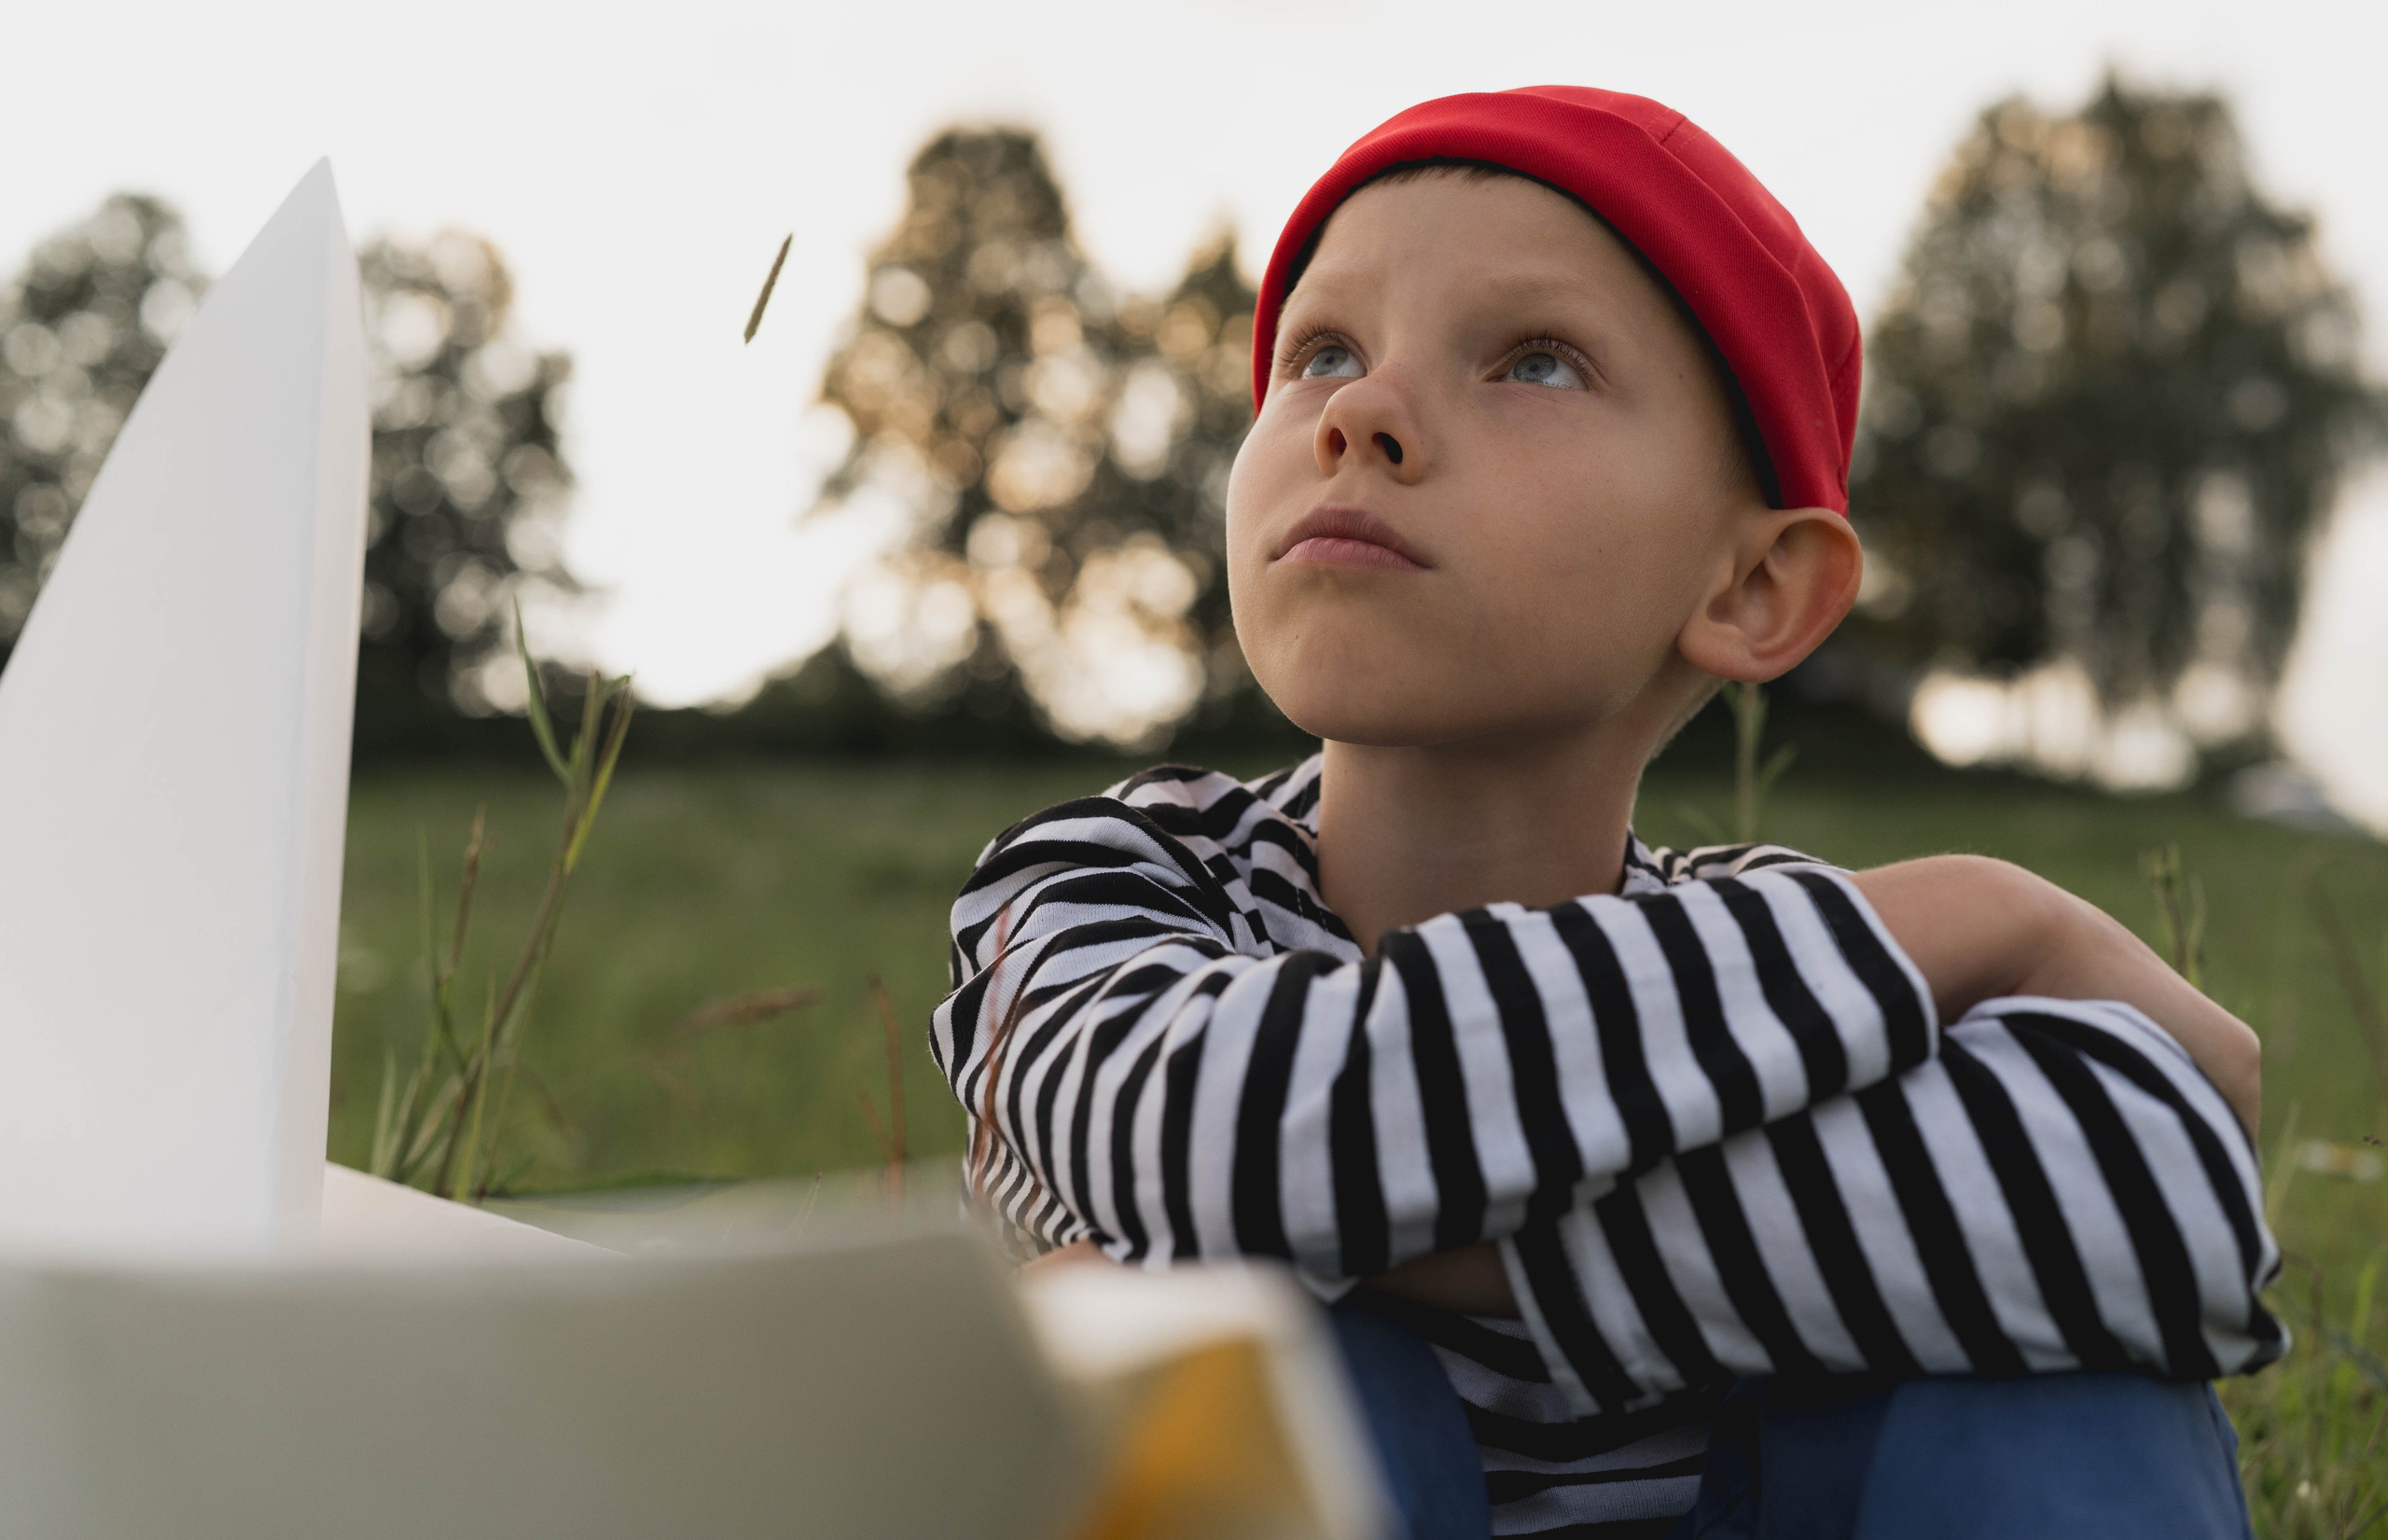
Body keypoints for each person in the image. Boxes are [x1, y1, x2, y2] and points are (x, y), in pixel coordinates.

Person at [934, 88, 2276, 1539]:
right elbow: (1222, 1140)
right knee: (1256, 1342)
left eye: (1535, 363)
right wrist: (1984, 912)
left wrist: (1374, 1218)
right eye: (1322, 351)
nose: (1361, 414)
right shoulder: (1099, 886)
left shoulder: (1770, 945)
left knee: (2059, 1379)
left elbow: (2160, 1196)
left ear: (1751, 588)